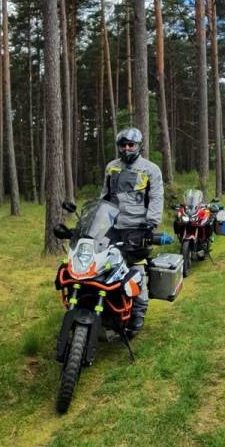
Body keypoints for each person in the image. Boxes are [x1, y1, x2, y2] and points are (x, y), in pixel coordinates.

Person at [101, 127, 164, 333]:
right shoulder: (111, 167)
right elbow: (104, 195)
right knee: (103, 267)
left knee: (136, 269)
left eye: (131, 145)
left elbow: (156, 197)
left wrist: (151, 223)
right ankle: (107, 309)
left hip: (138, 227)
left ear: (138, 146)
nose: (127, 148)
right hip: (112, 226)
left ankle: (138, 312)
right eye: (123, 145)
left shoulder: (150, 169)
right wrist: (97, 219)